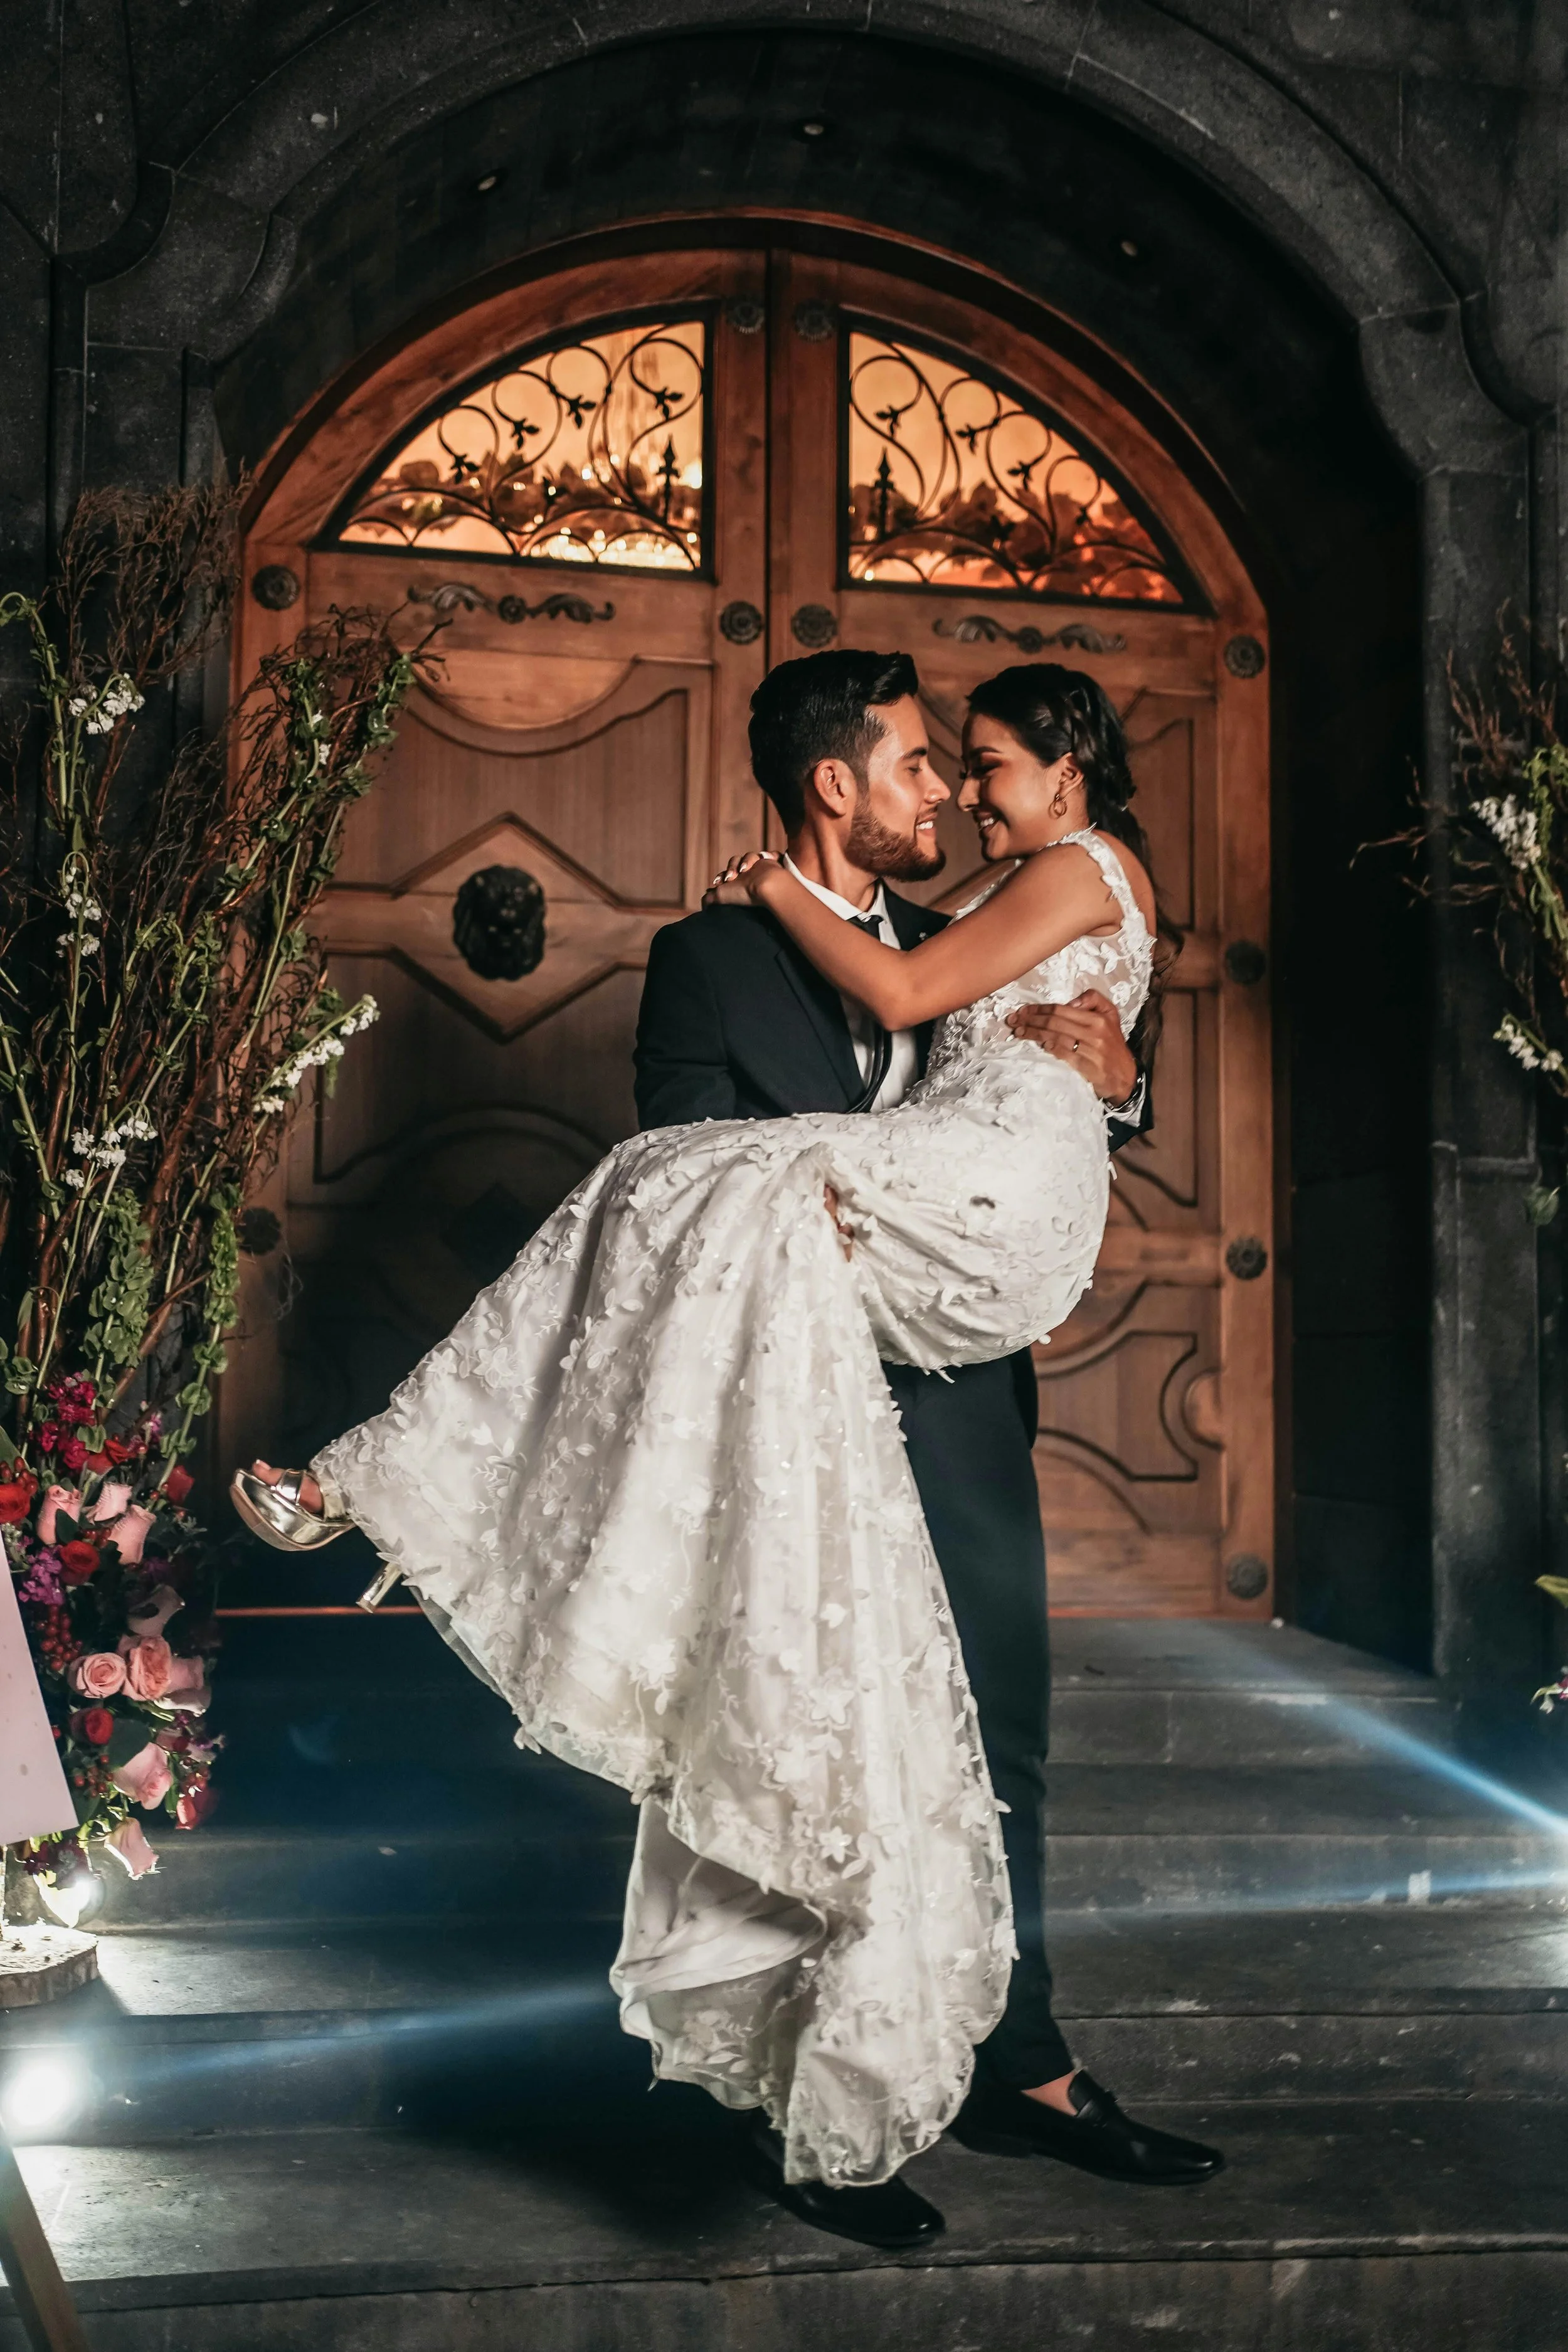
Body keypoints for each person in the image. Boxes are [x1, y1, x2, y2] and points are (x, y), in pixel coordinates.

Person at [231, 652, 1220, 2245]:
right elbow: (675, 1162)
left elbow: (1046, 1078)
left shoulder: (963, 931)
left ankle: (1019, 2068)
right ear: (833, 783)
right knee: (797, 1733)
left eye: (957, 768)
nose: (942, 796)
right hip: (782, 1410)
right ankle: (813, 2103)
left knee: (999, 1738)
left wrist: (1127, 1079)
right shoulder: (709, 952)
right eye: (914, 766)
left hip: (954, 1404)